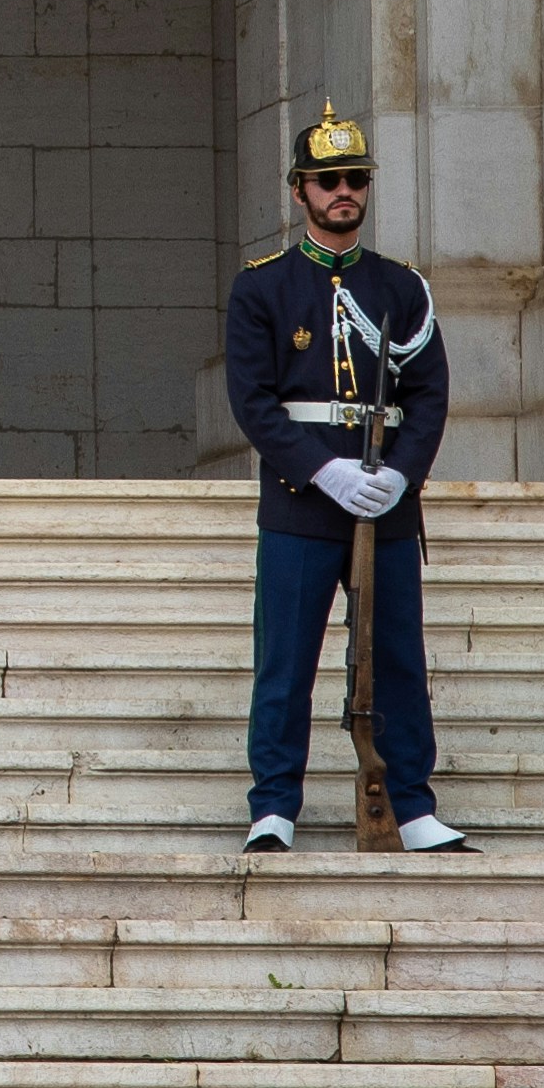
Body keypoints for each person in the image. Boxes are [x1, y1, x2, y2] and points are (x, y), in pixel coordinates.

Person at [224, 107, 469, 855]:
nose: (343, 192)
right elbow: (253, 401)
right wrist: (321, 468)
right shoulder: (260, 287)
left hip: (384, 503)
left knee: (396, 655)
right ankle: (273, 806)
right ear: (299, 191)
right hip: (302, 499)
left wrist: (400, 475)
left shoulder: (398, 286)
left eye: (354, 179)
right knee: (286, 659)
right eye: (327, 180)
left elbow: (426, 392)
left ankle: (410, 803)